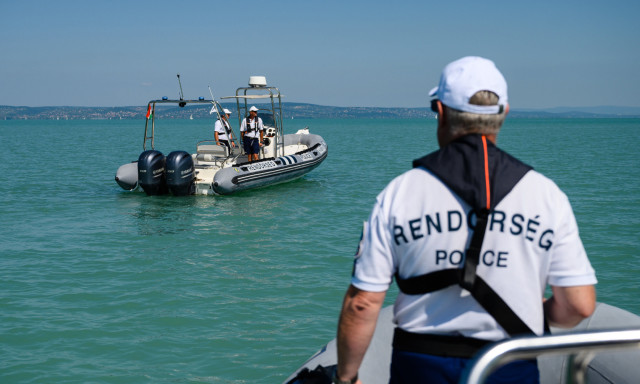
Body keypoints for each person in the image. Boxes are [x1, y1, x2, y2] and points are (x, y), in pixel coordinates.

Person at [334, 56, 597, 384]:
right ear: (504, 114)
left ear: (441, 113)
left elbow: (363, 303)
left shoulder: (401, 192)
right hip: (509, 365)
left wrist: (346, 377)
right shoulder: (546, 195)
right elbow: (580, 306)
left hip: (421, 366)